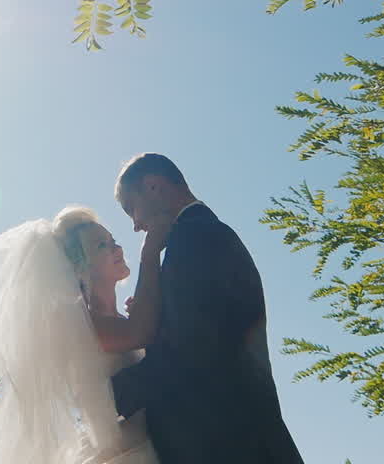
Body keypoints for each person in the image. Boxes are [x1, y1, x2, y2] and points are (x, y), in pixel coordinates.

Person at [110, 153, 304, 464]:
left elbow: (192, 348)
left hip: (227, 443)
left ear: (153, 186)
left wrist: (107, 396)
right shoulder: (201, 234)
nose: (135, 225)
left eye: (131, 208)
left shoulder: (194, 238)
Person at [0, 205, 164, 464]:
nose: (117, 249)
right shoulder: (87, 328)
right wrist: (150, 253)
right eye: (102, 246)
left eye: (113, 241)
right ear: (80, 267)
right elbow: (138, 334)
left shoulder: (120, 321)